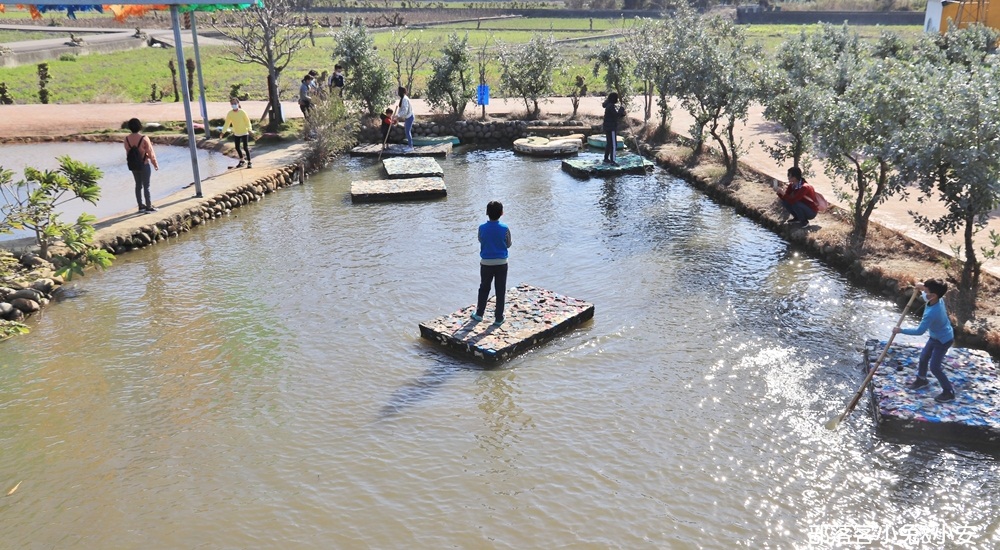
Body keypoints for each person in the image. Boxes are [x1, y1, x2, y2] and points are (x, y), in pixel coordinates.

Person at [892, 279, 956, 403]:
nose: (923, 293)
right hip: (935, 336)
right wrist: (922, 286)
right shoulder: (937, 299)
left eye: (925, 291)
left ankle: (949, 392)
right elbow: (930, 290)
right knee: (923, 357)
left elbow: (919, 331)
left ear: (932, 295)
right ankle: (922, 379)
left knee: (935, 367)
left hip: (943, 340)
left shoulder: (932, 312)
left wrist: (901, 330)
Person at [472, 201, 512, 327]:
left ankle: (479, 314)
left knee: (484, 288)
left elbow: (480, 239)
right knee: (500, 290)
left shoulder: (481, 228)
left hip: (486, 263)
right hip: (501, 263)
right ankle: (499, 317)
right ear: (502, 213)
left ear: (487, 213)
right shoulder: (505, 228)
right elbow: (509, 244)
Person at [124, 117, 159, 214]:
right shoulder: (144, 138)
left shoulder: (126, 139)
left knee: (138, 185)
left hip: (133, 165)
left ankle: (140, 206)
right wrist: (155, 163)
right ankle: (149, 206)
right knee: (146, 186)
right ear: (140, 126)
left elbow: (128, 152)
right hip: (144, 164)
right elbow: (150, 152)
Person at [221, 98, 253, 168]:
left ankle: (249, 162)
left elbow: (247, 121)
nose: (234, 105)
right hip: (237, 133)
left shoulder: (242, 112)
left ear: (238, 103)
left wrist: (249, 129)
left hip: (244, 132)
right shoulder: (230, 113)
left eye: (235, 103)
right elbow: (227, 123)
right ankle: (242, 160)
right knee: (237, 147)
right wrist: (223, 132)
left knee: (245, 147)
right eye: (232, 104)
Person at [602, 92, 626, 165]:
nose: (617, 100)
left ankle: (606, 158)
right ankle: (613, 160)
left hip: (607, 126)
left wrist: (622, 114)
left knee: (609, 143)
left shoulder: (608, 105)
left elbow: (614, 116)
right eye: (617, 98)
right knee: (613, 144)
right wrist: (621, 109)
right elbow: (616, 116)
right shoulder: (611, 106)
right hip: (611, 127)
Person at [392, 86, 414, 151]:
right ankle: (409, 146)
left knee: (407, 131)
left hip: (409, 117)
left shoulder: (405, 99)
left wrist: (397, 116)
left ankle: (411, 147)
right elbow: (401, 109)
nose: (398, 93)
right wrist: (397, 117)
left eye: (398, 91)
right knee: (407, 131)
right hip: (408, 117)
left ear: (401, 92)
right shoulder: (402, 98)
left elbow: (405, 111)